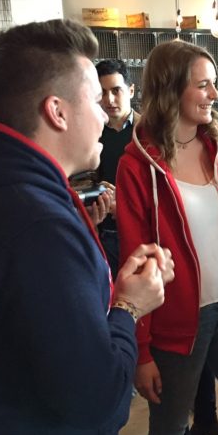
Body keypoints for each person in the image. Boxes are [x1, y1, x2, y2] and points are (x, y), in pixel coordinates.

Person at [0, 18, 173, 435]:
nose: (106, 109)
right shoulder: (38, 225)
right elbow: (97, 398)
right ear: (57, 111)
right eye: (94, 98)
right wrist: (130, 306)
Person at [116, 40, 218, 435]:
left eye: (214, 84)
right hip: (177, 318)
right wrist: (142, 350)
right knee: (170, 428)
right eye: (202, 85)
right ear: (170, 88)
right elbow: (134, 261)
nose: (213, 94)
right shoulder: (136, 164)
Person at [93, 59, 141, 279]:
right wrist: (97, 190)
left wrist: (124, 203)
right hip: (107, 231)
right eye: (103, 92)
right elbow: (81, 179)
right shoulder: (92, 132)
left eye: (116, 90)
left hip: (142, 230)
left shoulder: (148, 131)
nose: (109, 99)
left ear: (130, 90)